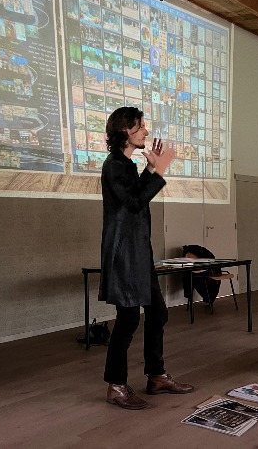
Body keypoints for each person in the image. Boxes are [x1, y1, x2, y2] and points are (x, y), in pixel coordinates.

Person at [98, 106, 194, 410]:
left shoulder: (126, 164)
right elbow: (135, 201)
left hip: (138, 253)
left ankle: (156, 376)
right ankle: (116, 386)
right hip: (124, 255)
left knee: (157, 313)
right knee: (128, 319)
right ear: (124, 130)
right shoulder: (114, 165)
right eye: (140, 126)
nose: (146, 131)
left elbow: (135, 195)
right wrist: (159, 169)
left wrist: (151, 169)